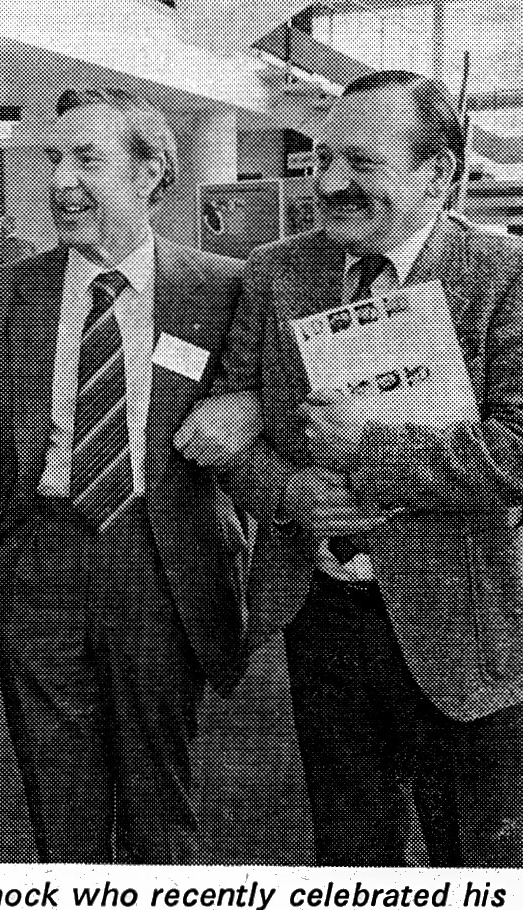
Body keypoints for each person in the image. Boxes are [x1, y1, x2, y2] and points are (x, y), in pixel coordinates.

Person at [182, 70, 523, 866]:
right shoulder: (277, 271)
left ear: (437, 172)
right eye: (321, 158)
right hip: (324, 619)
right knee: (351, 855)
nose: (330, 182)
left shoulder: (504, 275)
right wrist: (289, 492)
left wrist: (368, 450)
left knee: (479, 865)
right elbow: (231, 426)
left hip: (466, 622)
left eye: (361, 162)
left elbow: (516, 448)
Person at [0, 89, 249, 864]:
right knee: (60, 806)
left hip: (162, 564)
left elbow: (263, 416)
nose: (59, 181)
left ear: (148, 173)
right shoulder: (1, 295)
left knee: (159, 803)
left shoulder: (222, 289)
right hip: (36, 562)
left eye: (87, 159)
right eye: (54, 159)